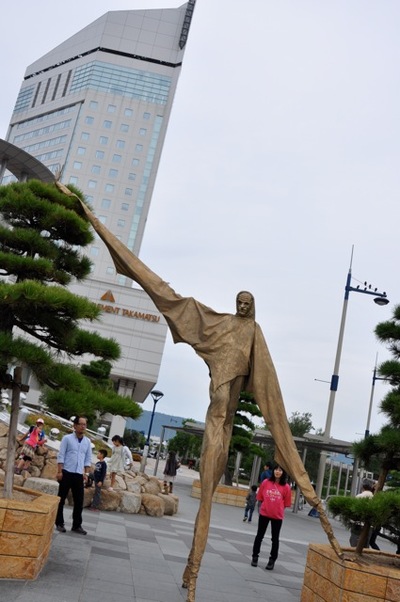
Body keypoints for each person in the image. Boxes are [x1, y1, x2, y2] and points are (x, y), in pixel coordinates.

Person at [68, 190, 343, 599]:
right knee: (207, 505)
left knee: (211, 502)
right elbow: (158, 288)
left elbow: (275, 410)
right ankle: (191, 577)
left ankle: (191, 575)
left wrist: (306, 487)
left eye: (249, 303)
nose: (244, 306)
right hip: (214, 419)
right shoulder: (217, 326)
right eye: (240, 302)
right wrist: (89, 215)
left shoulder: (254, 339)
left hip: (224, 426)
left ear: (256, 308)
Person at [55, 416, 92, 535]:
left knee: (79, 500)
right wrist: (60, 471)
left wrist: (86, 474)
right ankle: (59, 523)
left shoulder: (87, 442)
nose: (83, 426)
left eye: (85, 424)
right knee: (61, 499)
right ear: (75, 426)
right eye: (81, 424)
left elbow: (87, 459)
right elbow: (61, 455)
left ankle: (77, 525)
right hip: (66, 472)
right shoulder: (67, 439)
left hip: (78, 475)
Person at [251, 464, 292, 570]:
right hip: (264, 513)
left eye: (280, 470)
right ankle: (255, 557)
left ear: (283, 473)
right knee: (259, 536)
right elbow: (260, 496)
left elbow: (287, 503)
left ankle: (272, 560)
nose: (277, 472)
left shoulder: (286, 487)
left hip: (277, 517)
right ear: (273, 471)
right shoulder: (266, 482)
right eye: (276, 470)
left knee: (275, 539)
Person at [349, 478, 376, 548]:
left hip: (358, 524)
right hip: (369, 526)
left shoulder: (359, 497)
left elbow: (352, 511)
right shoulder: (374, 499)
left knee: (354, 543)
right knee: (365, 545)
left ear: (363, 486)